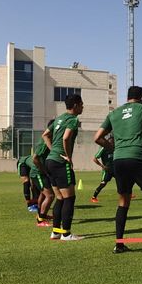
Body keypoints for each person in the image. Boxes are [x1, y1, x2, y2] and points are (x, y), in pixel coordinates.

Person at [93, 85, 142, 255]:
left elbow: (97, 137)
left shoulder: (114, 113)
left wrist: (113, 149)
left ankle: (119, 244)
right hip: (138, 156)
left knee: (123, 200)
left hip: (119, 160)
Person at [42, 93, 84, 241]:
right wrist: (68, 156)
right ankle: (66, 233)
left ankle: (56, 231)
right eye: (81, 104)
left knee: (59, 198)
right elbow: (66, 137)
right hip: (60, 163)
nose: (83, 106)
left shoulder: (59, 118)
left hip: (49, 161)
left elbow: (45, 135)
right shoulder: (73, 119)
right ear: (76, 106)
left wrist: (53, 149)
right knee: (69, 199)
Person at [31, 125, 55, 227]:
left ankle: (41, 215)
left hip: (42, 173)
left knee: (43, 195)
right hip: (38, 173)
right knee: (50, 196)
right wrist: (44, 170)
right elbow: (35, 158)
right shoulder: (44, 144)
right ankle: (40, 220)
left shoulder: (50, 141)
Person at [91, 137, 115, 203]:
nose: (112, 144)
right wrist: (102, 166)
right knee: (103, 184)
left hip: (115, 168)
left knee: (123, 180)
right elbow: (95, 159)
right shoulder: (103, 149)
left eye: (113, 142)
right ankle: (93, 197)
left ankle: (127, 194)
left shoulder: (115, 149)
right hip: (107, 170)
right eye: (111, 142)